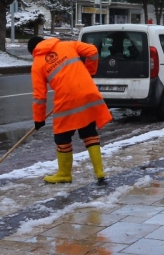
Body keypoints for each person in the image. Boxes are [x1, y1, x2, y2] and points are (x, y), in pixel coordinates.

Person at [29, 36, 112, 184]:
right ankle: (100, 172)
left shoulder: (37, 63)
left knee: (62, 137)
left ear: (33, 51)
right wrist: (90, 72)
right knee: (89, 132)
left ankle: (64, 174)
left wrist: (39, 119)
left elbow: (39, 96)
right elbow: (92, 51)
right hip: (87, 92)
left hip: (67, 99)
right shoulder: (67, 45)